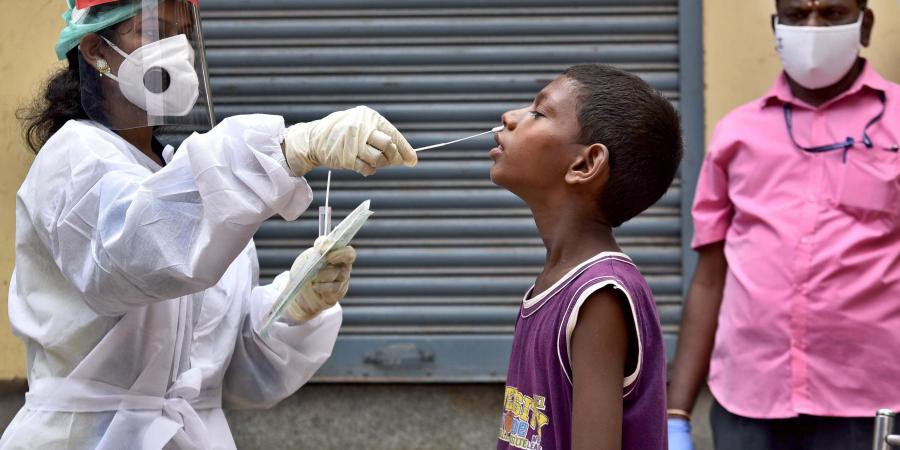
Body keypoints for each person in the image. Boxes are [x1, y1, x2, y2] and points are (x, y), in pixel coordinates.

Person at [1, 0, 416, 449]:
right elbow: (136, 255)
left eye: (184, 33)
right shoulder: (74, 161)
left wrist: (292, 305)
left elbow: (227, 374)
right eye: (154, 31)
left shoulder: (188, 183)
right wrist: (287, 149)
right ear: (94, 50)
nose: (177, 50)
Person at [666, 1, 900, 449]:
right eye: (797, 14)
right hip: (750, 401)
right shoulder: (737, 134)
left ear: (864, 24)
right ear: (777, 27)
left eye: (832, 14)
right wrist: (677, 414)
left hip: (867, 403)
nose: (812, 28)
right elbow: (710, 279)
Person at [492, 63, 683, 450]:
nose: (509, 118)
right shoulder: (551, 286)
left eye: (538, 112)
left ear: (584, 164)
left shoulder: (599, 295)